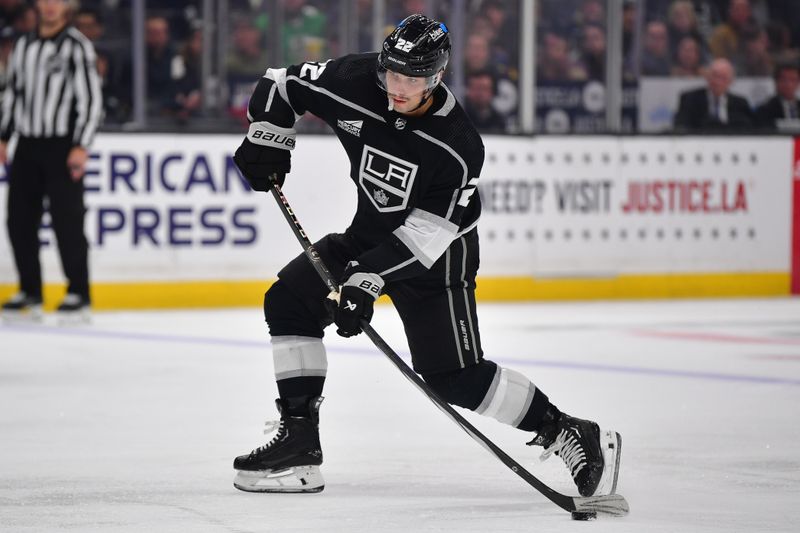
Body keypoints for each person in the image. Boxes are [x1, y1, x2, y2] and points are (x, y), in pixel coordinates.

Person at [230, 14, 623, 497]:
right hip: (368, 236)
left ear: (436, 77)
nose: (398, 86)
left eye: (412, 79)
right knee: (290, 300)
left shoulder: (456, 147)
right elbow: (281, 85)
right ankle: (299, 442)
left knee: (453, 379)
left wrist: (364, 280)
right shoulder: (354, 79)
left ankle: (565, 429)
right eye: (392, 73)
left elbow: (423, 237)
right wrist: (268, 137)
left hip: (437, 260)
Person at [0, 0, 102, 320]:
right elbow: (12, 93)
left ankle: (78, 292)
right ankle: (30, 291)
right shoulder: (24, 46)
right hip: (27, 144)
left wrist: (81, 144)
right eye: (45, 0)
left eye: (57, 0)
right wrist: (3, 136)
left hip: (62, 146)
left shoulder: (76, 46)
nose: (49, 6)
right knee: (19, 220)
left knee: (67, 220)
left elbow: (90, 98)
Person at [673, 58, 754, 131]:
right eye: (714, 76)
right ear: (707, 77)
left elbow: (750, 129)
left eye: (723, 77)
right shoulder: (690, 99)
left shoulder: (740, 104)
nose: (717, 82)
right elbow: (681, 127)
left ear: (730, 81)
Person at [755, 62, 800, 129]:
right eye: (784, 80)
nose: (788, 85)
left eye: (793, 80)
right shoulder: (765, 110)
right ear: (776, 82)